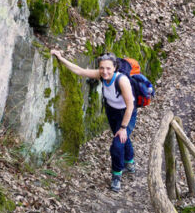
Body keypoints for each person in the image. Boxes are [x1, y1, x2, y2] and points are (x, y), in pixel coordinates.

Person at [50, 49, 137, 192]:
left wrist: (123, 127)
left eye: (108, 68)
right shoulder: (101, 75)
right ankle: (130, 162)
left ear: (115, 67)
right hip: (112, 110)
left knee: (117, 143)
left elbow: (130, 106)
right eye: (102, 68)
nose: (105, 71)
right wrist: (60, 58)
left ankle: (116, 175)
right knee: (122, 138)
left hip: (126, 113)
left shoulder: (122, 80)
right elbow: (79, 71)